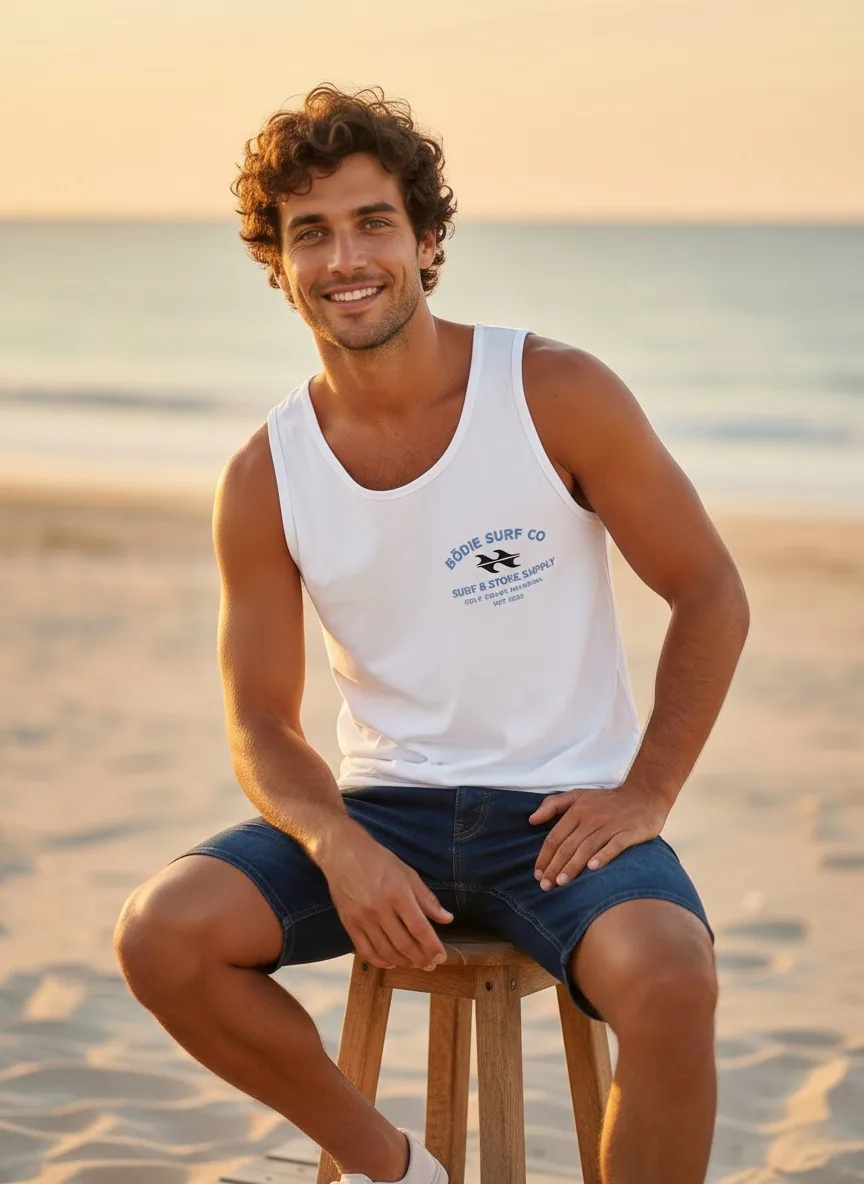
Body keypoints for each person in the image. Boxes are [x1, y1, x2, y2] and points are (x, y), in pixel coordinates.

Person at [114, 84, 750, 1184]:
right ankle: (395, 1170)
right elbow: (259, 720)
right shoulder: (267, 475)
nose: (345, 257)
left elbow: (709, 592)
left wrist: (646, 792)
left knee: (674, 978)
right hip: (386, 817)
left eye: (372, 222)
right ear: (280, 262)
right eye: (310, 232)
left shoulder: (554, 391)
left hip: (565, 818)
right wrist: (335, 842)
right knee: (161, 931)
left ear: (427, 238)